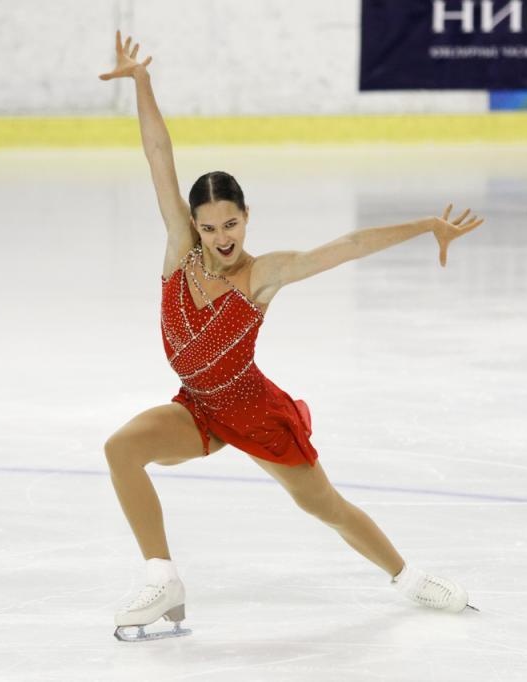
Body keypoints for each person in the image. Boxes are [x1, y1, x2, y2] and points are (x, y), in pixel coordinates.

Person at [99, 31, 484, 642]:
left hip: (253, 410)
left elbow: (346, 246)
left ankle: (409, 576)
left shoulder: (262, 275)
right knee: (122, 449)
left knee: (324, 506)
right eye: (209, 227)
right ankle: (162, 578)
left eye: (231, 223)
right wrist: (142, 82)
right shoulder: (179, 251)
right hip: (198, 406)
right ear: (193, 225)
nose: (222, 237)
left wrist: (424, 225)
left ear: (246, 217)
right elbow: (158, 154)